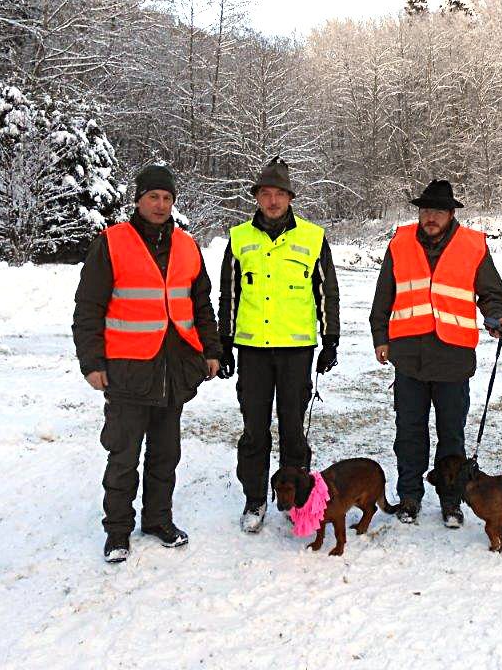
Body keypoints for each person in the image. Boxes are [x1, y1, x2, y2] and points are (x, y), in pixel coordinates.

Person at [73, 164, 221, 564]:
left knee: (165, 454)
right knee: (123, 455)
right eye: (153, 197)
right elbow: (88, 308)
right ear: (138, 200)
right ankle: (117, 530)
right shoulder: (112, 242)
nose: (160, 204)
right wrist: (91, 361)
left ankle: (158, 519)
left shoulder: (188, 246)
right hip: (127, 369)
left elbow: (201, 304)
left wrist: (212, 349)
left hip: (173, 369)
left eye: (167, 198)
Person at [369, 179, 502, 527]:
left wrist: (497, 316)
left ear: (451, 214)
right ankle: (409, 496)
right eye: (426, 210)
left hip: (453, 359)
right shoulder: (400, 243)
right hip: (409, 358)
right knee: (409, 432)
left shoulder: (472, 246)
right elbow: (383, 294)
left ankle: (452, 500)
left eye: (438, 211)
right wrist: (380, 336)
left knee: (452, 435)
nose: (430, 217)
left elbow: (493, 293)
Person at [217, 157, 341, 533]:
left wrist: (330, 338)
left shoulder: (312, 237)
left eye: (279, 195)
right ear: (256, 198)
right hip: (253, 352)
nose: (272, 201)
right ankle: (255, 499)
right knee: (255, 430)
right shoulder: (239, 238)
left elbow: (327, 292)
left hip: (296, 351)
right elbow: (230, 295)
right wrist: (224, 344)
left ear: (290, 198)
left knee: (292, 430)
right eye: (265, 194)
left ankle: (296, 500)